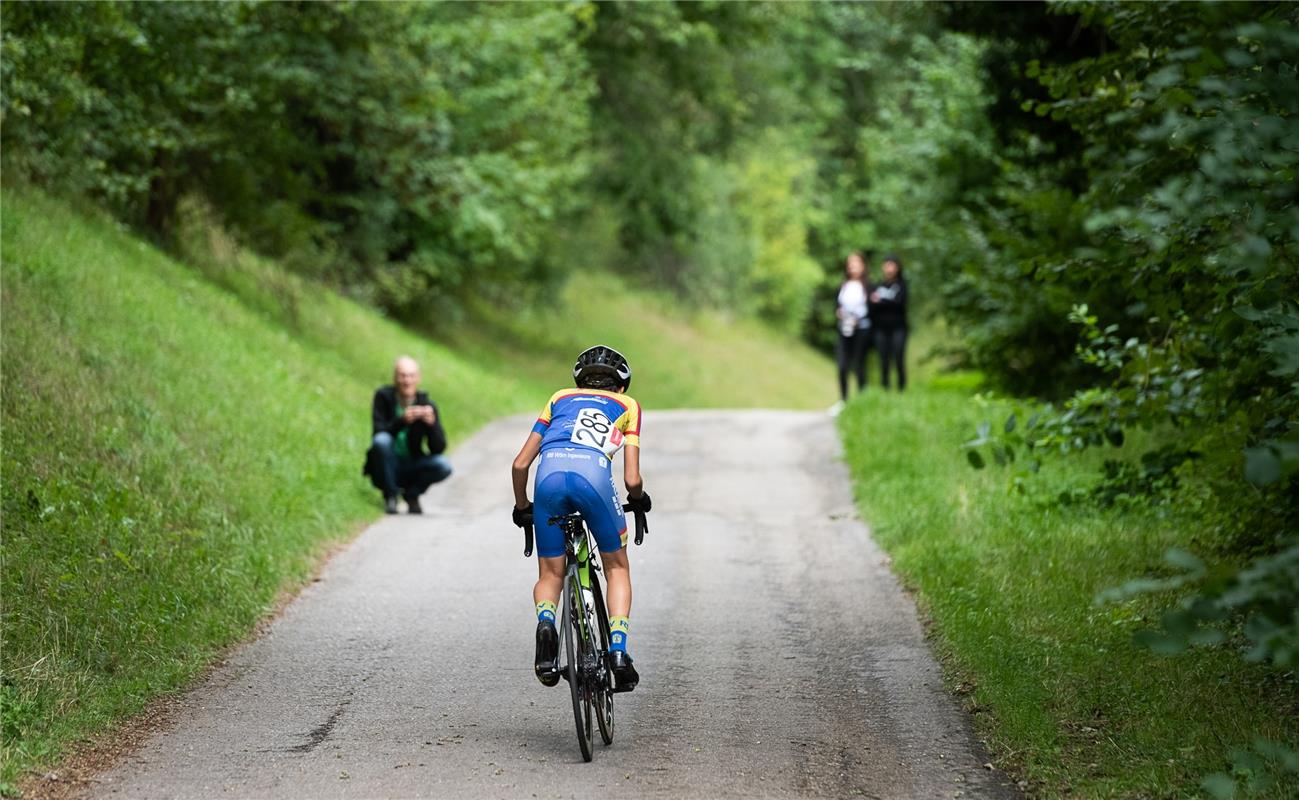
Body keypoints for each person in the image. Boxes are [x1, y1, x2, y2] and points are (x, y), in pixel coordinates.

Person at [510, 345, 651, 692]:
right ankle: (618, 651)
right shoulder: (628, 406)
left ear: (580, 382)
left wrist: (522, 506)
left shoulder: (559, 398)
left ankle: (546, 622)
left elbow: (519, 464)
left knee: (550, 573)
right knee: (617, 567)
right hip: (595, 480)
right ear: (620, 386)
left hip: (548, 481)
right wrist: (639, 500)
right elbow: (632, 479)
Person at [363, 355, 452, 514]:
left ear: (418, 378)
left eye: (411, 376)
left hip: (413, 462)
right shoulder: (383, 397)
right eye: (402, 375)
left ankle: (411, 495)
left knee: (444, 465)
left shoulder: (427, 404)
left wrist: (432, 425)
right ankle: (390, 496)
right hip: (388, 463)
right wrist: (402, 420)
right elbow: (378, 434)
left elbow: (438, 448)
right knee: (381, 441)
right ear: (395, 377)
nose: (407, 381)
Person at [834, 251, 872, 407]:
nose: (853, 266)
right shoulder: (843, 285)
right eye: (850, 263)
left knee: (859, 365)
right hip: (845, 328)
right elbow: (837, 306)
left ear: (863, 265)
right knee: (842, 365)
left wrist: (858, 319)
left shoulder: (868, 286)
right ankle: (843, 400)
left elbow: (873, 309)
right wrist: (840, 313)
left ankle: (862, 402)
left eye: (856, 262)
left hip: (861, 329)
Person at [870, 255, 909, 391]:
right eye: (887, 265)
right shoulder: (878, 285)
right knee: (883, 359)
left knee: (898, 357)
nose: (889, 268)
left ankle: (901, 388)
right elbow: (872, 305)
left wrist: (881, 301)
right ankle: (884, 388)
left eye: (892, 265)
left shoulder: (901, 285)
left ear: (898, 268)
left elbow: (900, 304)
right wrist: (887, 302)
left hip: (898, 328)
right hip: (881, 328)